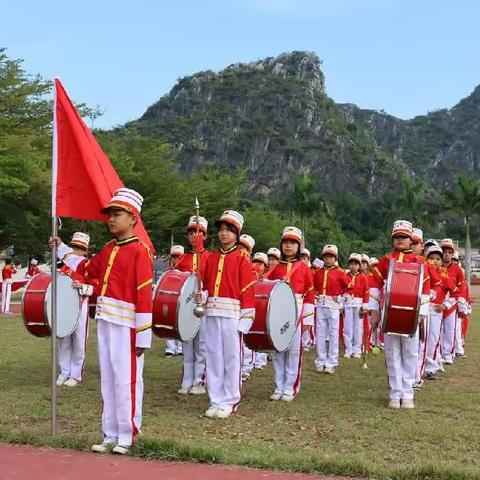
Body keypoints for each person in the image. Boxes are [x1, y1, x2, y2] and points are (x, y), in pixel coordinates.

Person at [51, 187, 153, 455]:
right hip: (107, 321)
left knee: (127, 379)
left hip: (127, 326)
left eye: (117, 214)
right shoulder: (108, 249)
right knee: (108, 379)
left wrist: (143, 334)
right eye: (109, 214)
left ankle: (127, 433)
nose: (111, 219)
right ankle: (109, 433)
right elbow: (86, 269)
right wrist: (62, 248)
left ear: (133, 218)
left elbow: (144, 294)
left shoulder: (140, 251)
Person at [199, 210, 256, 418]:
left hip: (233, 313)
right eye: (221, 230)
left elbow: (248, 289)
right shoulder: (211, 258)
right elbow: (206, 285)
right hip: (212, 312)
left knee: (231, 358)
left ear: (237, 234)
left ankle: (230, 400)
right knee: (213, 355)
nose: (224, 234)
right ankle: (215, 399)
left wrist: (245, 320)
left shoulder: (243, 258)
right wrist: (201, 296)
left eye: (228, 230)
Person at [375, 220, 429, 409]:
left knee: (411, 353)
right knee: (392, 353)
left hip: (411, 316)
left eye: (404, 237)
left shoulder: (420, 261)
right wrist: (375, 312)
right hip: (389, 314)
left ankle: (407, 393)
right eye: (397, 237)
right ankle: (394, 392)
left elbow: (426, 289)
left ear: (410, 239)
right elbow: (375, 287)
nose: (400, 240)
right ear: (392, 239)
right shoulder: (385, 260)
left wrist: (421, 314)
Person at [268, 227, 315, 401]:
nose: (288, 246)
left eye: (292, 243)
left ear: (299, 246)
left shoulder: (304, 268)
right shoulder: (275, 268)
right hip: (278, 311)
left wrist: (308, 318)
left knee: (294, 350)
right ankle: (279, 386)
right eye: (285, 242)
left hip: (297, 311)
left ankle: (291, 387)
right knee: (278, 348)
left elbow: (310, 293)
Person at [175, 216, 210, 395]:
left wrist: (203, 295)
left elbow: (213, 283)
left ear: (204, 235)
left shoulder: (210, 258)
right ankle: (187, 380)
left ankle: (199, 381)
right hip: (185, 307)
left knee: (201, 346)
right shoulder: (182, 259)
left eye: (197, 232)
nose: (193, 236)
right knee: (187, 344)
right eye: (190, 232)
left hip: (202, 306)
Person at [57, 232, 96, 387]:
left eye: (79, 248)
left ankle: (76, 374)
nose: (76, 250)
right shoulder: (64, 266)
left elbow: (96, 287)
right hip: (65, 306)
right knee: (64, 340)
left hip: (81, 306)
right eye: (74, 247)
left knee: (79, 341)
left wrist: (83, 286)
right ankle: (64, 372)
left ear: (85, 250)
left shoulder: (88, 266)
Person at [313, 245, 350, 374]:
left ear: (335, 258)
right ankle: (320, 360)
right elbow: (313, 287)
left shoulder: (340, 272)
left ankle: (332, 362)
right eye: (326, 256)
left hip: (333, 305)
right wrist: (315, 295)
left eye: (331, 257)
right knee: (320, 333)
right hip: (321, 303)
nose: (328, 259)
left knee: (333, 334)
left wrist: (340, 299)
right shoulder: (318, 273)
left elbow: (350, 288)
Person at [424, 244, 455, 379]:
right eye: (431, 258)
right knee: (420, 340)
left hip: (436, 312)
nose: (434, 261)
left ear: (442, 261)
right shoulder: (423, 273)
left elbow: (456, 293)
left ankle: (431, 368)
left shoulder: (445, 276)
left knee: (432, 340)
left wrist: (445, 304)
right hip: (422, 311)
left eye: (438, 258)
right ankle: (417, 370)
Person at [440, 239, 467, 365]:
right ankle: (438, 354)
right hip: (437, 304)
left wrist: (460, 302)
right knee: (437, 331)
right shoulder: (436, 266)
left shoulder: (457, 269)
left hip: (451, 304)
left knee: (450, 330)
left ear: (452, 254)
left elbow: (461, 288)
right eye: (444, 252)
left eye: (449, 252)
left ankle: (448, 355)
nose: (446, 254)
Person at [238, 234, 257, 381]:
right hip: (233, 306)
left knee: (246, 338)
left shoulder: (254, 270)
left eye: (245, 248)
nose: (241, 250)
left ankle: (246, 366)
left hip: (247, 305)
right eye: (240, 247)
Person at [343, 253, 369, 358]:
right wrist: (341, 305)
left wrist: (365, 306)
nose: (353, 266)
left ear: (359, 266)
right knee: (348, 327)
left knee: (358, 328)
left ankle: (357, 350)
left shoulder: (363, 278)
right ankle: (348, 349)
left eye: (356, 264)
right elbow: (341, 290)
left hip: (358, 305)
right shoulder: (344, 276)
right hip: (348, 303)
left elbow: (366, 292)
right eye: (351, 264)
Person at [165, 245, 185, 357]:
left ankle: (180, 347)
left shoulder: (188, 272)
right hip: (169, 300)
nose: (176, 259)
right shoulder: (167, 272)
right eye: (174, 257)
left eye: (179, 257)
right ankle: (170, 348)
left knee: (181, 323)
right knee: (169, 323)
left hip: (182, 301)